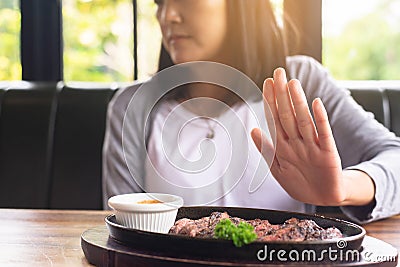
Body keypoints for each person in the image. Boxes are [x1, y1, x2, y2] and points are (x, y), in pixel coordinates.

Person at [102, 0, 400, 224]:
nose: (168, 15)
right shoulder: (133, 106)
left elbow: (395, 158)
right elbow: (121, 228)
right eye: (159, 2)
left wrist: (342, 189)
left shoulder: (302, 82)